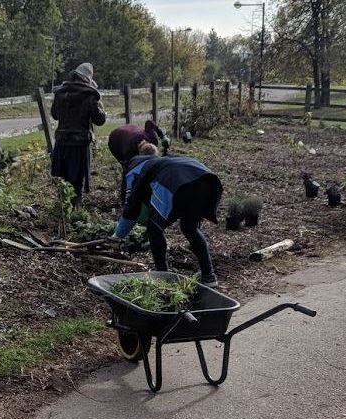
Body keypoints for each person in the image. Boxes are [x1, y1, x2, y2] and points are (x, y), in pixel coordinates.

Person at [112, 142, 222, 287]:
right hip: (206, 179)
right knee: (190, 227)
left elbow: (131, 207)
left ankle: (163, 277)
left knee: (154, 229)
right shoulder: (162, 161)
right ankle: (209, 276)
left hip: (176, 183)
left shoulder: (134, 170)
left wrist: (118, 236)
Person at [51, 63, 106, 200]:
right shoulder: (89, 95)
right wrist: (100, 106)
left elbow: (54, 115)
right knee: (77, 179)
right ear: (87, 79)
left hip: (62, 141)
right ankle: (76, 211)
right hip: (79, 143)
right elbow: (99, 120)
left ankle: (63, 207)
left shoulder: (60, 93)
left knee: (63, 177)